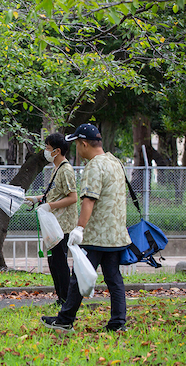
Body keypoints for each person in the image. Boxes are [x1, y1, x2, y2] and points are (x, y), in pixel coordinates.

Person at [41, 124, 131, 333]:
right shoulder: (115, 162)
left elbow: (89, 200)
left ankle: (65, 320)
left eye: (77, 145)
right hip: (116, 234)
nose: (77, 151)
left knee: (78, 276)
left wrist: (79, 228)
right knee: (114, 278)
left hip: (95, 235)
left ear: (83, 143)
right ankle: (118, 322)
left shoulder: (94, 166)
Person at [25, 133, 78, 306]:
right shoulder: (56, 169)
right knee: (53, 262)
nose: (45, 151)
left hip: (63, 225)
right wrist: (38, 199)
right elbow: (54, 195)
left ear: (57, 151)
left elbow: (73, 197)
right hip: (54, 224)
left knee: (59, 262)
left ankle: (65, 299)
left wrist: (50, 206)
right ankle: (60, 297)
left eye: (48, 148)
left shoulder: (66, 170)